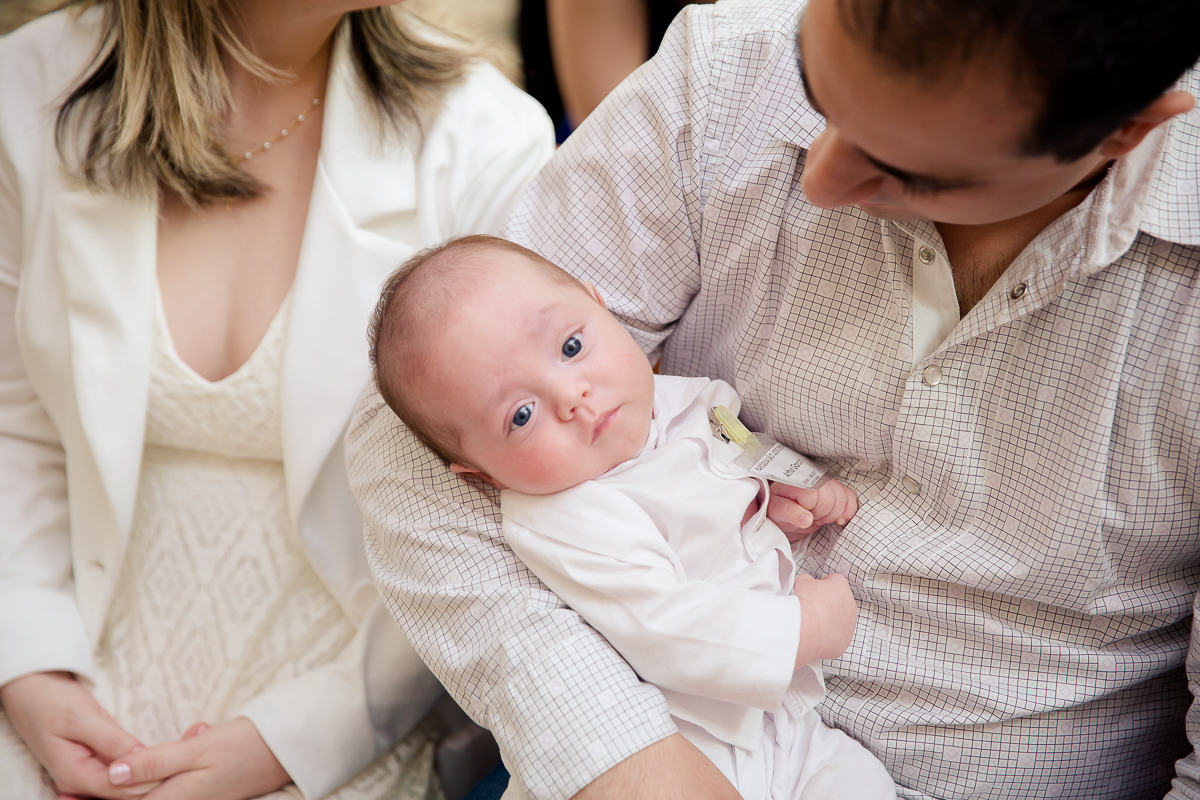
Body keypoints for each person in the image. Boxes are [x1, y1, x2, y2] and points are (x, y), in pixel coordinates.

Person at [347, 0, 1200, 798]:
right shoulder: (724, 78)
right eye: (816, 93)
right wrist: (618, 753)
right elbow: (408, 438)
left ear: (1126, 132)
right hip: (669, 741)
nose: (819, 180)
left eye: (905, 170)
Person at [0, 0, 553, 798]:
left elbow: (494, 517)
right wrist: (30, 664)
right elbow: (14, 428)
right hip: (66, 688)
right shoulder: (27, 91)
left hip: (351, 726)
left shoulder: (487, 140)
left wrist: (296, 741)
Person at [367, 234, 887, 799]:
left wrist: (771, 500)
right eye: (520, 415)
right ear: (483, 474)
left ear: (602, 306)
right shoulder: (565, 515)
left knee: (860, 782)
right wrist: (805, 628)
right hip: (685, 741)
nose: (571, 396)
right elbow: (667, 628)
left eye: (570, 346)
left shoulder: (676, 404)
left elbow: (719, 485)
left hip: (783, 729)